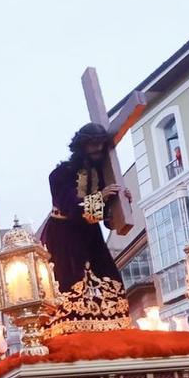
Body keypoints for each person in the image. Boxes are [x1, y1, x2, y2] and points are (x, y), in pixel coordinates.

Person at [40, 122, 132, 292]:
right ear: (82, 147)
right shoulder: (61, 174)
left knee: (109, 282)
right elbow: (70, 208)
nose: (98, 148)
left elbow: (108, 222)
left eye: (100, 143)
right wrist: (101, 197)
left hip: (90, 234)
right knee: (71, 285)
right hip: (64, 236)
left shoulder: (102, 175)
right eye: (92, 144)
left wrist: (121, 203)